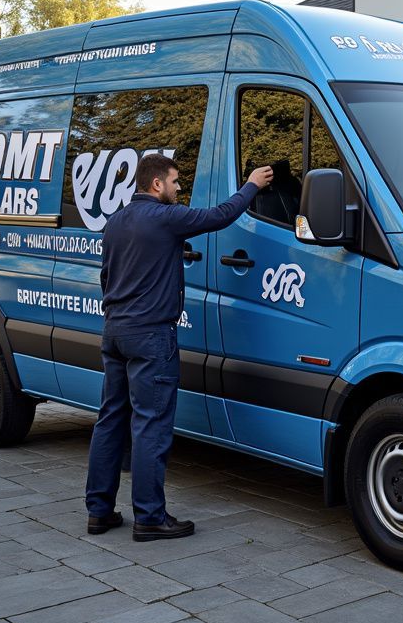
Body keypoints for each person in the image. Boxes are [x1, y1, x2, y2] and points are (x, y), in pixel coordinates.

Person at [85, 153, 273, 541]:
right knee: (150, 424)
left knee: (110, 421)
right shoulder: (166, 219)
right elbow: (220, 215)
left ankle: (99, 512)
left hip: (115, 330)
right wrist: (252, 184)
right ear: (156, 184)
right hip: (151, 335)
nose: (178, 188)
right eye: (174, 182)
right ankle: (150, 518)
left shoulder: (115, 222)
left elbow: (106, 277)